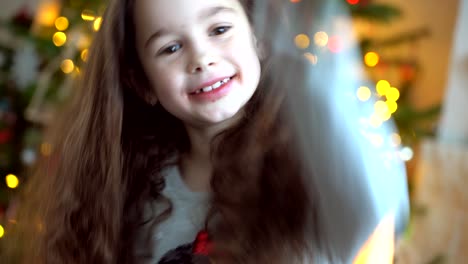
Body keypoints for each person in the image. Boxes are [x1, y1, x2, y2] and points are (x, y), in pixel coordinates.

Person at [3, 0, 407, 263]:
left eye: (218, 30)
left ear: (258, 38)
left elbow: (374, 198)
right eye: (170, 48)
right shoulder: (129, 192)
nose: (201, 58)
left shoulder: (310, 174)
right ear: (142, 82)